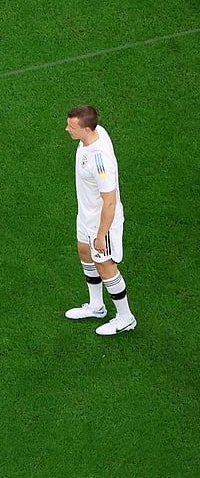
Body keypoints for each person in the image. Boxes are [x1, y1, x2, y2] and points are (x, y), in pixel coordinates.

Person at [64, 106, 136, 335]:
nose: (67, 129)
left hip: (101, 222)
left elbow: (110, 202)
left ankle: (125, 317)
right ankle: (96, 306)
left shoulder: (100, 161)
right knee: (84, 252)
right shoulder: (96, 132)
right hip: (86, 215)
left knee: (105, 267)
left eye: (72, 127)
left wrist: (101, 235)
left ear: (86, 129)